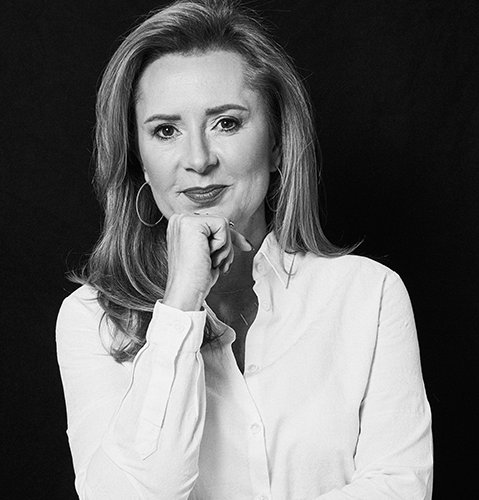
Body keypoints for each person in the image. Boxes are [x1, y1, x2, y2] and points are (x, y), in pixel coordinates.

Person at [55, 1, 433, 498]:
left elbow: (399, 488)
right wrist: (181, 305)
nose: (198, 160)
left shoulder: (369, 295)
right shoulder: (93, 320)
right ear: (139, 159)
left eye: (226, 123)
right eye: (166, 130)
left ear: (276, 143)